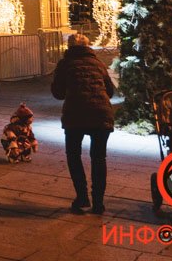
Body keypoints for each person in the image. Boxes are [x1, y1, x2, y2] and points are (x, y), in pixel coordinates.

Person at [51, 33, 116, 214]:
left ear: (70, 47)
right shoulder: (98, 63)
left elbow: (58, 93)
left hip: (75, 115)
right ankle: (98, 203)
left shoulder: (65, 64)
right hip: (101, 113)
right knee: (98, 158)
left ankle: (81, 198)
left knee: (73, 155)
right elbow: (109, 91)